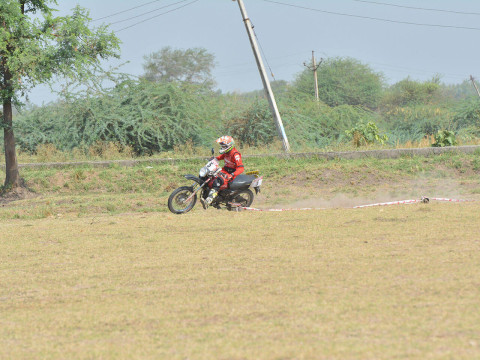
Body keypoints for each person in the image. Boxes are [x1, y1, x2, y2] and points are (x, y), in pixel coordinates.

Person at [201, 135, 244, 208]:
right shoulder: (227, 153)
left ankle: (209, 200)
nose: (222, 148)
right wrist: (214, 159)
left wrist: (232, 174)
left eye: (223, 146)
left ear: (229, 145)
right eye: (222, 146)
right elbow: (220, 157)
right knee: (210, 177)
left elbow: (241, 168)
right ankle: (209, 195)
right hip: (224, 171)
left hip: (230, 174)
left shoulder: (235, 154)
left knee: (217, 182)